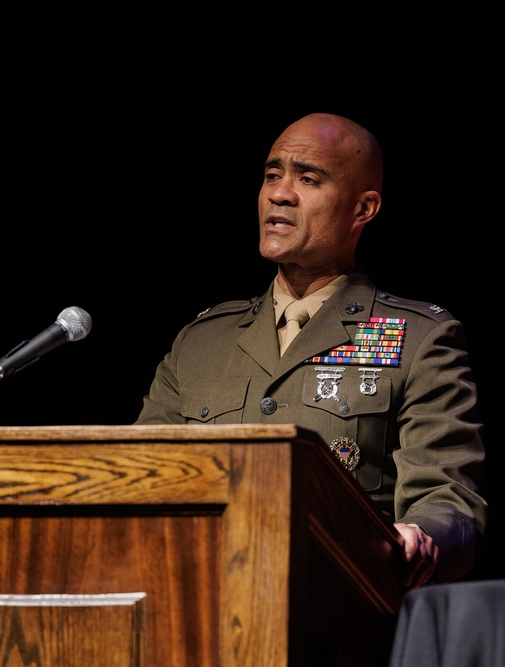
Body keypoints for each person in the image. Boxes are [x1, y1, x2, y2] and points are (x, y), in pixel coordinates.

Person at [135, 112, 486, 588]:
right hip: (198, 599)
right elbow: (137, 478)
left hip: (338, 607)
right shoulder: (200, 342)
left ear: (363, 209)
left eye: (308, 178)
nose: (279, 193)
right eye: (272, 174)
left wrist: (421, 534)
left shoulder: (421, 339)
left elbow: (447, 495)